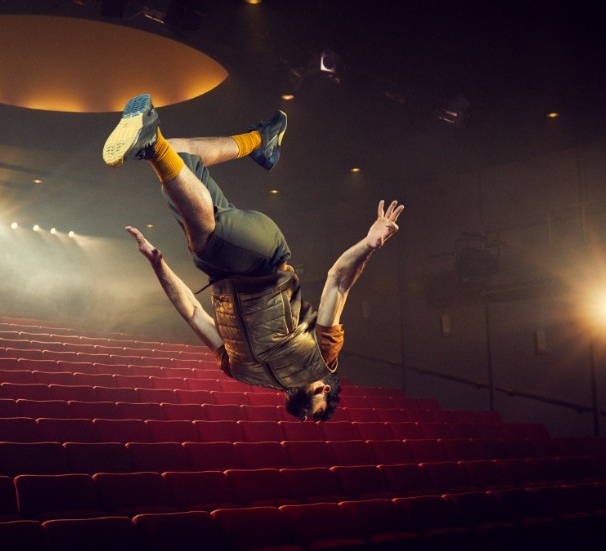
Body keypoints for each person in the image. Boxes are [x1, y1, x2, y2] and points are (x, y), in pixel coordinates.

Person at [103, 93, 404, 421]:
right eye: (315, 414)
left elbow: (192, 312)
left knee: (178, 156)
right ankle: (151, 142)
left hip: (219, 270)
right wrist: (369, 243)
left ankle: (259, 141)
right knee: (205, 238)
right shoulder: (323, 355)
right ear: (325, 389)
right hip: (264, 257)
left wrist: (159, 265)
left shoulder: (242, 372)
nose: (305, 417)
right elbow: (338, 281)